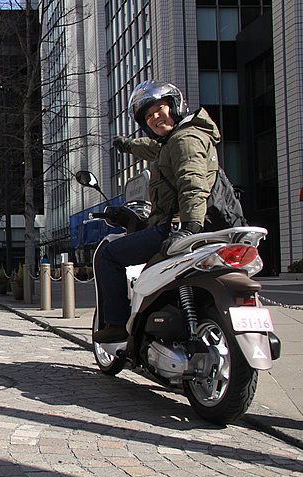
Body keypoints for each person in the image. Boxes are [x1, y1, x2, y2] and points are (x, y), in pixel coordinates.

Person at [94, 80, 220, 343]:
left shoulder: (184, 140)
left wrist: (189, 227)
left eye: (159, 109)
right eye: (149, 116)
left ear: (174, 106)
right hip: (184, 225)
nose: (155, 117)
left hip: (177, 227)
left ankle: (117, 325)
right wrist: (127, 145)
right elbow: (152, 149)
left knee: (109, 255)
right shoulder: (174, 140)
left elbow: (192, 183)